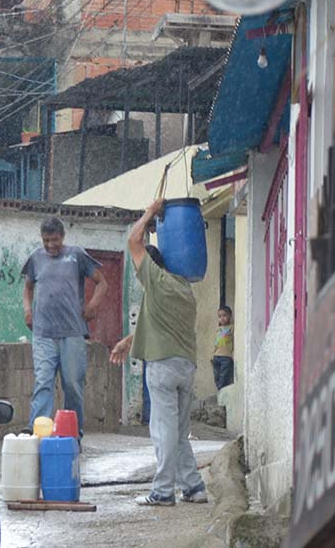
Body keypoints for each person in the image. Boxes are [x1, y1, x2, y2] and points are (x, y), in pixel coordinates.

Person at [110, 200, 207, 506]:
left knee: (164, 432)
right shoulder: (182, 288)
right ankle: (194, 487)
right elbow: (159, 323)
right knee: (179, 433)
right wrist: (128, 340)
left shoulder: (154, 280)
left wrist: (150, 211)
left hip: (163, 368)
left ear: (148, 268)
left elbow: (133, 241)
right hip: (186, 366)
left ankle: (163, 491)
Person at [22, 216, 108, 436]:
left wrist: (93, 306)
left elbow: (102, 283)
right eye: (46, 240)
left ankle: (72, 433)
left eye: (55, 240)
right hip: (43, 333)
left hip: (72, 333)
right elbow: (28, 287)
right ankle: (37, 432)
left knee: (72, 385)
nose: (51, 245)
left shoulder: (76, 255)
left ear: (63, 237)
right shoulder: (35, 259)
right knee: (43, 383)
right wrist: (28, 310)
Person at [212, 306, 234, 390]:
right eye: (220, 316)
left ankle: (221, 389)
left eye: (224, 315)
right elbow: (216, 343)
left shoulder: (232, 327)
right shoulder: (218, 329)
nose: (222, 318)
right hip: (216, 356)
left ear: (230, 316)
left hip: (226, 356)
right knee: (216, 375)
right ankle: (219, 388)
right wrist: (212, 355)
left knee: (224, 375)